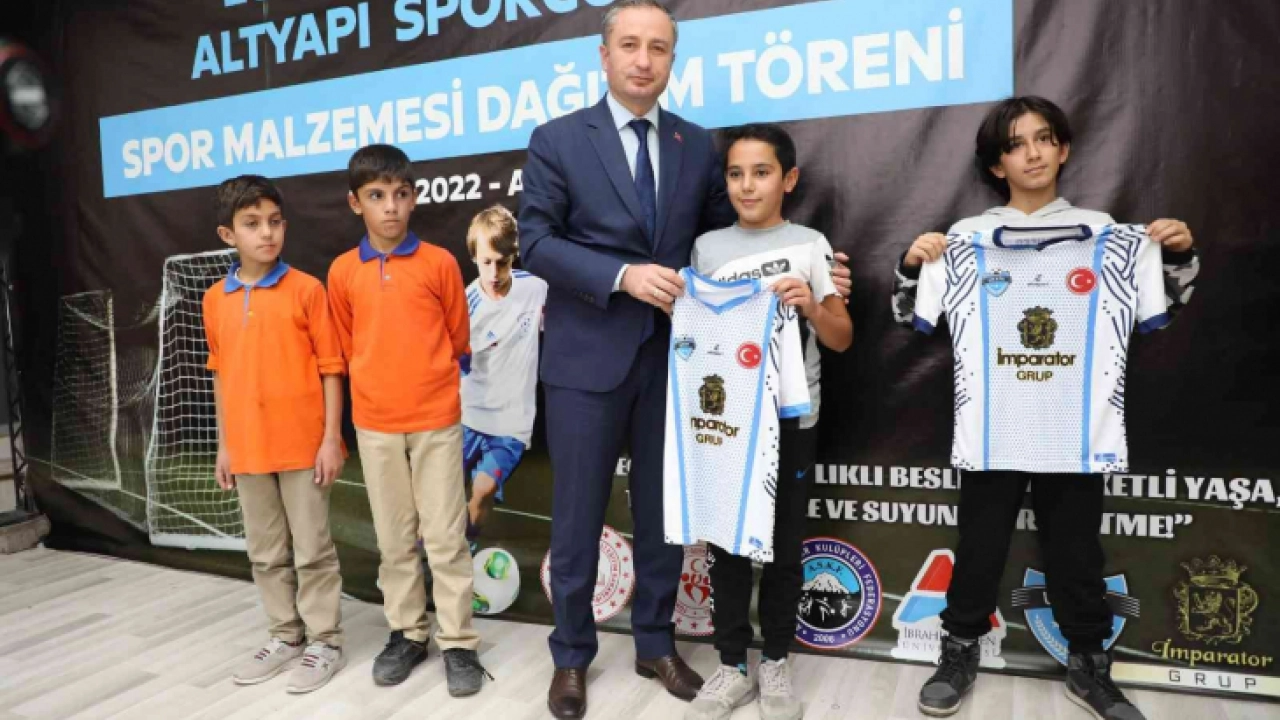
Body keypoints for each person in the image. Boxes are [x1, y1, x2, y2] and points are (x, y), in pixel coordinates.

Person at [891, 96, 1198, 720]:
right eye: (1014, 144)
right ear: (996, 163)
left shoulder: (1109, 235)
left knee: (1077, 554)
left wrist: (1174, 255)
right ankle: (958, 652)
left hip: (1075, 430)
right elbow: (909, 317)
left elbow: (1164, 308)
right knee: (978, 548)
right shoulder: (965, 240)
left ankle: (1089, 666)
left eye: (1042, 138)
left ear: (1063, 149)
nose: (1031, 153)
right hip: (992, 429)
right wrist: (911, 266)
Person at [683, 123, 852, 720]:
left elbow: (841, 336)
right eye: (736, 174)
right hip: (727, 421)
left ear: (789, 178)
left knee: (783, 546)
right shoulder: (706, 249)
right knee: (727, 543)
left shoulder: (810, 244)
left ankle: (776, 659)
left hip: (792, 417)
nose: (747, 185)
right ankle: (732, 664)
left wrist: (812, 306)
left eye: (761, 172)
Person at [327, 144, 488, 697]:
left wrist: (435, 382)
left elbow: (458, 337)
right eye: (376, 196)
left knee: (444, 537)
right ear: (356, 203)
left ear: (414, 198)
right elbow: (346, 345)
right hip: (375, 425)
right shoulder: (342, 272)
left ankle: (459, 642)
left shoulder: (439, 263)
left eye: (400, 194)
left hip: (436, 422)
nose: (390, 206)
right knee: (395, 539)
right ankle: (407, 634)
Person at [204, 175, 346, 693]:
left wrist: (330, 439)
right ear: (228, 235)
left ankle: (325, 641)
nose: (267, 233)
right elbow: (220, 374)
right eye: (252, 224)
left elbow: (332, 368)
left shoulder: (308, 289)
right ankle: (285, 635)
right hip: (247, 448)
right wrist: (225, 444)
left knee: (313, 550)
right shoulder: (214, 299)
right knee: (265, 552)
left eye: (274, 222)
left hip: (304, 445)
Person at [460, 205, 548, 541]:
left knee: (483, 492)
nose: (494, 272)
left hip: (512, 425)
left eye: (503, 262)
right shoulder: (465, 306)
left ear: (514, 256)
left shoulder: (537, 289)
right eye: (486, 262)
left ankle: (467, 546)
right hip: (467, 418)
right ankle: (427, 554)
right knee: (441, 498)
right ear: (474, 257)